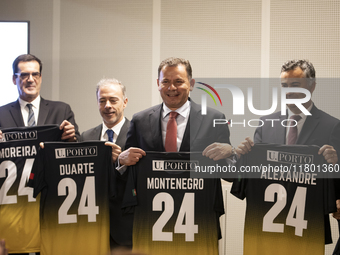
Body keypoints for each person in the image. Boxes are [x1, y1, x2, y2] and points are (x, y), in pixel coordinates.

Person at [236, 59, 340, 245]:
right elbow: (252, 174)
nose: (289, 91)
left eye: (295, 85)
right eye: (284, 86)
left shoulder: (332, 126)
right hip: (266, 224)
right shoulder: (265, 123)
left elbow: (336, 178)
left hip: (309, 226)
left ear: (312, 86)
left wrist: (335, 163)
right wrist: (241, 156)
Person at [119, 57, 234, 165]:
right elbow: (127, 171)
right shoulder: (140, 121)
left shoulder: (214, 119)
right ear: (158, 84)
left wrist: (231, 153)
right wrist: (121, 161)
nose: (172, 88)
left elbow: (229, 174)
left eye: (178, 82)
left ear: (191, 84)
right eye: (165, 82)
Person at [79, 78, 132, 249]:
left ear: (124, 102)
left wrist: (119, 164)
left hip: (125, 228)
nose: (107, 105)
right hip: (91, 225)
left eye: (113, 100)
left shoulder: (139, 134)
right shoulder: (86, 137)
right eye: (102, 101)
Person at [0, 54, 79, 141]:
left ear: (40, 78)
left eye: (35, 74)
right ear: (14, 79)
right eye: (24, 75)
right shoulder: (2, 115)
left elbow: (77, 144)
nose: (30, 79)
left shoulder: (61, 111)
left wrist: (71, 138)